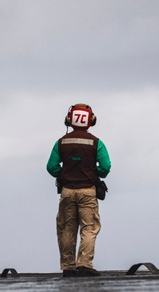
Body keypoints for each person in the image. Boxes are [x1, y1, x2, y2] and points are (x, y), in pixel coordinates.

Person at [47, 103, 111, 277]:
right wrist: (92, 173)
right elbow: (105, 167)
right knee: (89, 228)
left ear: (69, 120)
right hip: (88, 191)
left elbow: (51, 167)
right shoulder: (96, 142)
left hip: (67, 191)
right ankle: (84, 265)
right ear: (91, 120)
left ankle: (68, 267)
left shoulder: (61, 142)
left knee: (67, 228)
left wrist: (65, 173)